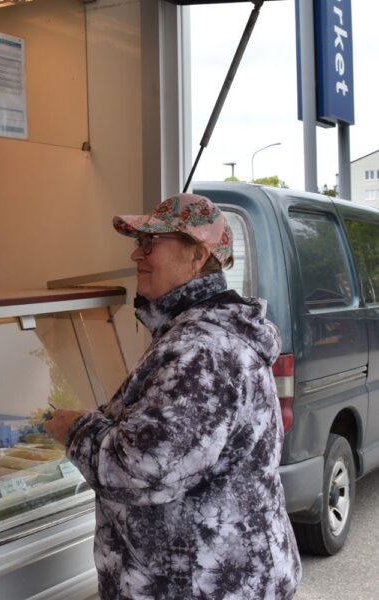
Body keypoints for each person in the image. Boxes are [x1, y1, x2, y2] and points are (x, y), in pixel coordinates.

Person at [45, 193, 301, 599]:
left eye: (151, 243)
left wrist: (75, 428)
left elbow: (143, 471)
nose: (136, 254)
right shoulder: (200, 335)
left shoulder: (201, 350)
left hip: (205, 585)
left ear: (197, 256)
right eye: (139, 242)